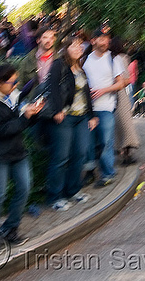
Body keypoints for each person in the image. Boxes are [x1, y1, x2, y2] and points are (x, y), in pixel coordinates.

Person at [0, 64, 44, 251]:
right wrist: (24, 118)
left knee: (24, 189)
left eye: (16, 81)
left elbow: (22, 124)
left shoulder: (12, 96)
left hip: (17, 152)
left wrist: (32, 114)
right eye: (11, 82)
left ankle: (10, 229)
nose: (15, 85)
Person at [46, 36, 99, 211]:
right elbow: (51, 88)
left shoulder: (80, 68)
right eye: (74, 45)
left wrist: (91, 116)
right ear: (66, 48)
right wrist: (57, 110)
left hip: (81, 118)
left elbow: (85, 93)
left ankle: (73, 191)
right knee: (61, 158)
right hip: (65, 118)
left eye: (80, 45)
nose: (78, 47)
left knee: (80, 154)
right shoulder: (58, 65)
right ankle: (55, 197)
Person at [82, 30, 127, 187]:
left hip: (106, 107)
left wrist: (103, 90)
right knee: (89, 143)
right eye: (102, 39)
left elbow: (121, 83)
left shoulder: (114, 59)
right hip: (88, 109)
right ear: (93, 41)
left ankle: (108, 173)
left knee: (105, 141)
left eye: (107, 39)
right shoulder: (85, 60)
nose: (106, 42)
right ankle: (90, 173)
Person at [110, 38, 140, 166]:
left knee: (116, 125)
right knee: (125, 125)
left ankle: (119, 151)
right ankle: (127, 155)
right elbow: (127, 79)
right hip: (120, 95)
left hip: (106, 95)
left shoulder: (106, 58)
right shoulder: (122, 57)